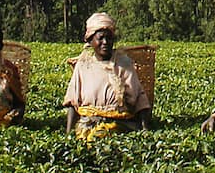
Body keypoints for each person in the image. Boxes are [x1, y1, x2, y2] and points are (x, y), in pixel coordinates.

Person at [63, 11, 152, 141]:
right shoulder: (83, 65)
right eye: (100, 38)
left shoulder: (124, 63)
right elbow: (72, 101)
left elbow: (140, 99)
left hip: (121, 124)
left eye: (109, 38)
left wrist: (145, 131)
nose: (105, 42)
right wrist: (68, 134)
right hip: (88, 124)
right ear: (90, 40)